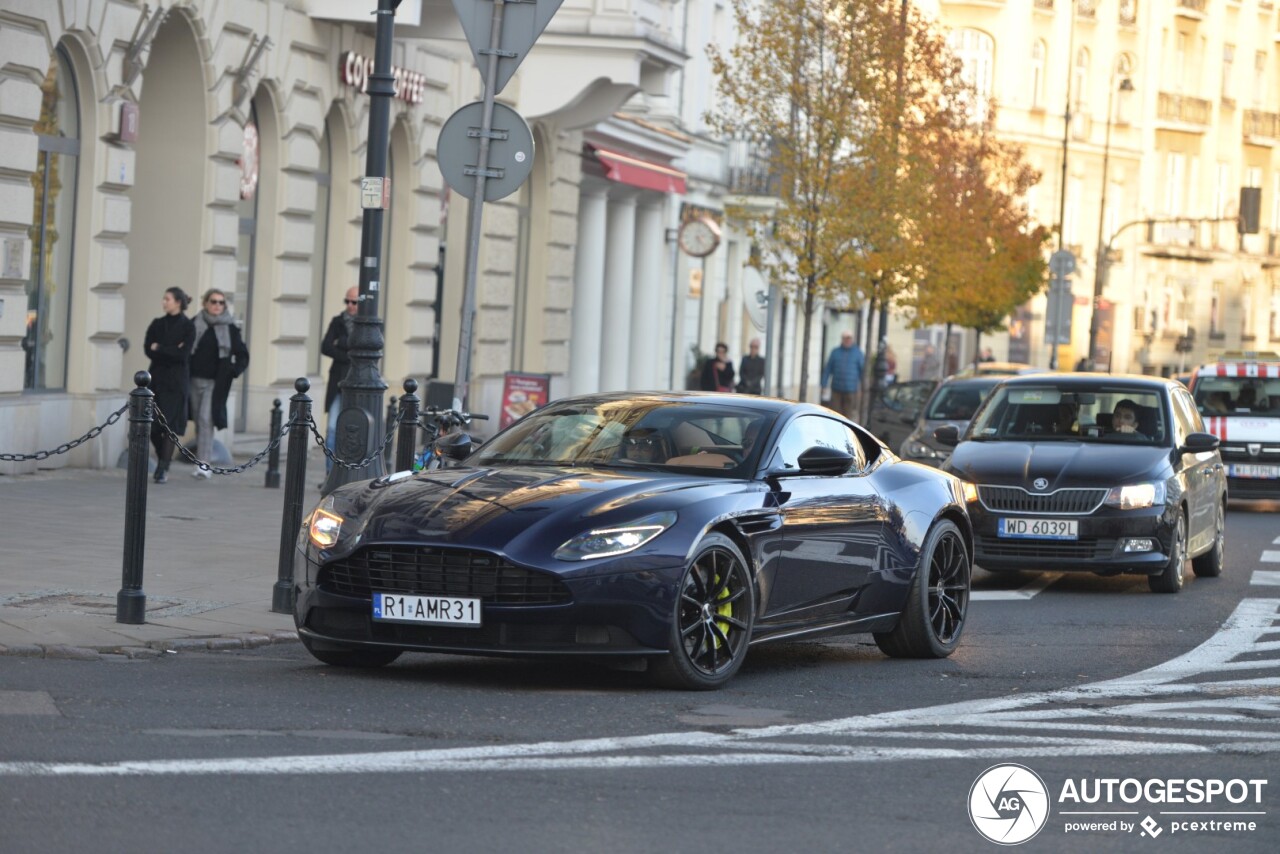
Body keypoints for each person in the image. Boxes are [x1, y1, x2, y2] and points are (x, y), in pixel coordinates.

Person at [188, 289, 249, 478]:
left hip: (215, 382)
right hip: (193, 379)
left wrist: (233, 371)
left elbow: (242, 355)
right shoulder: (195, 324)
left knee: (207, 419)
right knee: (199, 420)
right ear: (205, 303)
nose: (217, 306)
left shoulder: (229, 328)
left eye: (221, 303)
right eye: (213, 301)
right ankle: (201, 460)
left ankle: (204, 464)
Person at [144, 287, 196, 483]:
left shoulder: (188, 327)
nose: (164, 302)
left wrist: (161, 348)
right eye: (163, 298)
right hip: (156, 379)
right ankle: (163, 459)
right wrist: (172, 349)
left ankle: (163, 467)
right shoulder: (157, 324)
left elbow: (184, 354)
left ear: (178, 302)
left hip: (176, 382)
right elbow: (148, 349)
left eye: (167, 299)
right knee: (153, 427)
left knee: (170, 426)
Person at [321, 286, 359, 471]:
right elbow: (326, 346)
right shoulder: (337, 322)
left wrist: (342, 342)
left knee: (353, 432)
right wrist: (349, 354)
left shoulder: (368, 324)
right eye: (347, 301)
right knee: (333, 430)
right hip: (338, 384)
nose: (350, 306)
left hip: (358, 387)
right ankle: (330, 473)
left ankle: (348, 472)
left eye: (354, 302)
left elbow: (366, 349)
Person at [821, 331, 865, 419]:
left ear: (852, 339)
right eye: (846, 338)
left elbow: (862, 371)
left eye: (849, 338)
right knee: (835, 414)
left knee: (848, 415)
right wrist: (824, 385)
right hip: (836, 389)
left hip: (851, 390)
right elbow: (828, 369)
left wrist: (863, 388)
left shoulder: (858, 353)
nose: (847, 340)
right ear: (842, 339)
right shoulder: (835, 352)